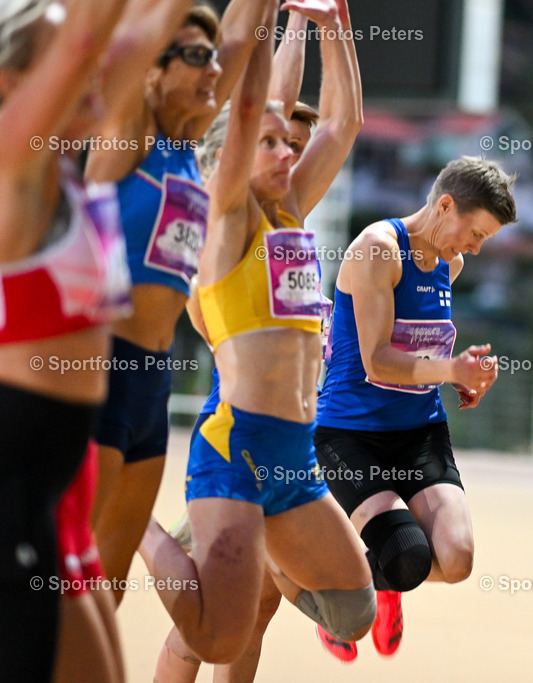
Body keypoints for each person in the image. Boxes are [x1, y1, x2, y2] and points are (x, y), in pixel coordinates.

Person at [138, 0, 374, 666]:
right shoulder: (226, 218)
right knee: (216, 635)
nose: (283, 151)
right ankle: (136, 528)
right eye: (268, 144)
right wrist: (271, 12)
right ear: (228, 162)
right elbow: (251, 107)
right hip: (237, 447)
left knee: (354, 612)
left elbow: (342, 121)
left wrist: (335, 24)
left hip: (294, 457)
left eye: (286, 144)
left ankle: (245, 555)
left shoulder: (290, 213)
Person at [85, 0, 274, 606]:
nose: (212, 69)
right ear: (152, 68)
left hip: (151, 384)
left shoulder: (188, 149)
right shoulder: (126, 134)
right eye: (195, 56)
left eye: (211, 59)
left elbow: (242, 38)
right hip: (101, 370)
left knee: (106, 591)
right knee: (62, 583)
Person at [312, 154, 516, 661]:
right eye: (477, 233)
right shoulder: (378, 250)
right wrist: (448, 370)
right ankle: (336, 597)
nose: (476, 247)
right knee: (407, 553)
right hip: (350, 434)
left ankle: (378, 580)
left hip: (419, 430)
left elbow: (424, 341)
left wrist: (464, 377)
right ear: (445, 205)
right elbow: (378, 361)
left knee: (457, 558)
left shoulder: (452, 261)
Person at [0, 0, 132, 679]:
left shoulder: (66, 175)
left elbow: (127, 38)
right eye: (60, 64)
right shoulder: (9, 166)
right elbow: (85, 38)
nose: (91, 70)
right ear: (9, 83)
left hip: (48, 486)